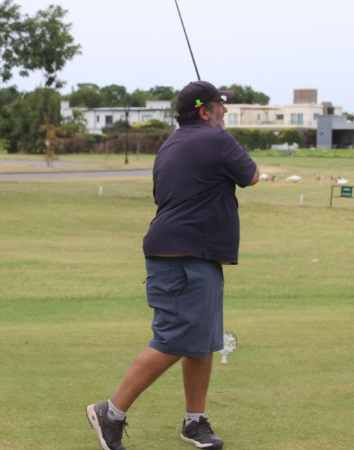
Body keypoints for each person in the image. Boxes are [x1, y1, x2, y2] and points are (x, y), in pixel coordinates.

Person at [86, 80, 259, 450]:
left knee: (202, 342)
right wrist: (222, 137)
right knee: (173, 339)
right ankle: (110, 412)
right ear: (204, 111)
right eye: (220, 105)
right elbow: (252, 176)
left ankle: (194, 421)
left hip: (193, 255)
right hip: (185, 257)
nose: (225, 110)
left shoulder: (170, 145)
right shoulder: (217, 139)